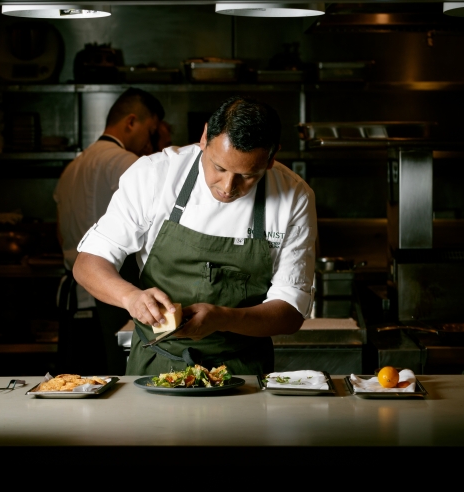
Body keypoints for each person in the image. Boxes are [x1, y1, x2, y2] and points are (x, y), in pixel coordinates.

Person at [73, 96, 316, 375]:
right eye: (219, 167)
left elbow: (290, 313)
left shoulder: (294, 196)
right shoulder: (155, 176)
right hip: (157, 367)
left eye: (249, 175)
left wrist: (223, 318)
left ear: (271, 158)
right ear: (204, 138)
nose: (227, 187)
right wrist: (131, 298)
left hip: (244, 373)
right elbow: (88, 264)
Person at [53, 87, 169, 375]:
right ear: (132, 122)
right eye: (150, 132)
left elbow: (58, 231)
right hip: (113, 293)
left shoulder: (73, 167)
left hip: (74, 297)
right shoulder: (129, 164)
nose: (148, 144)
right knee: (116, 383)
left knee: (80, 383)